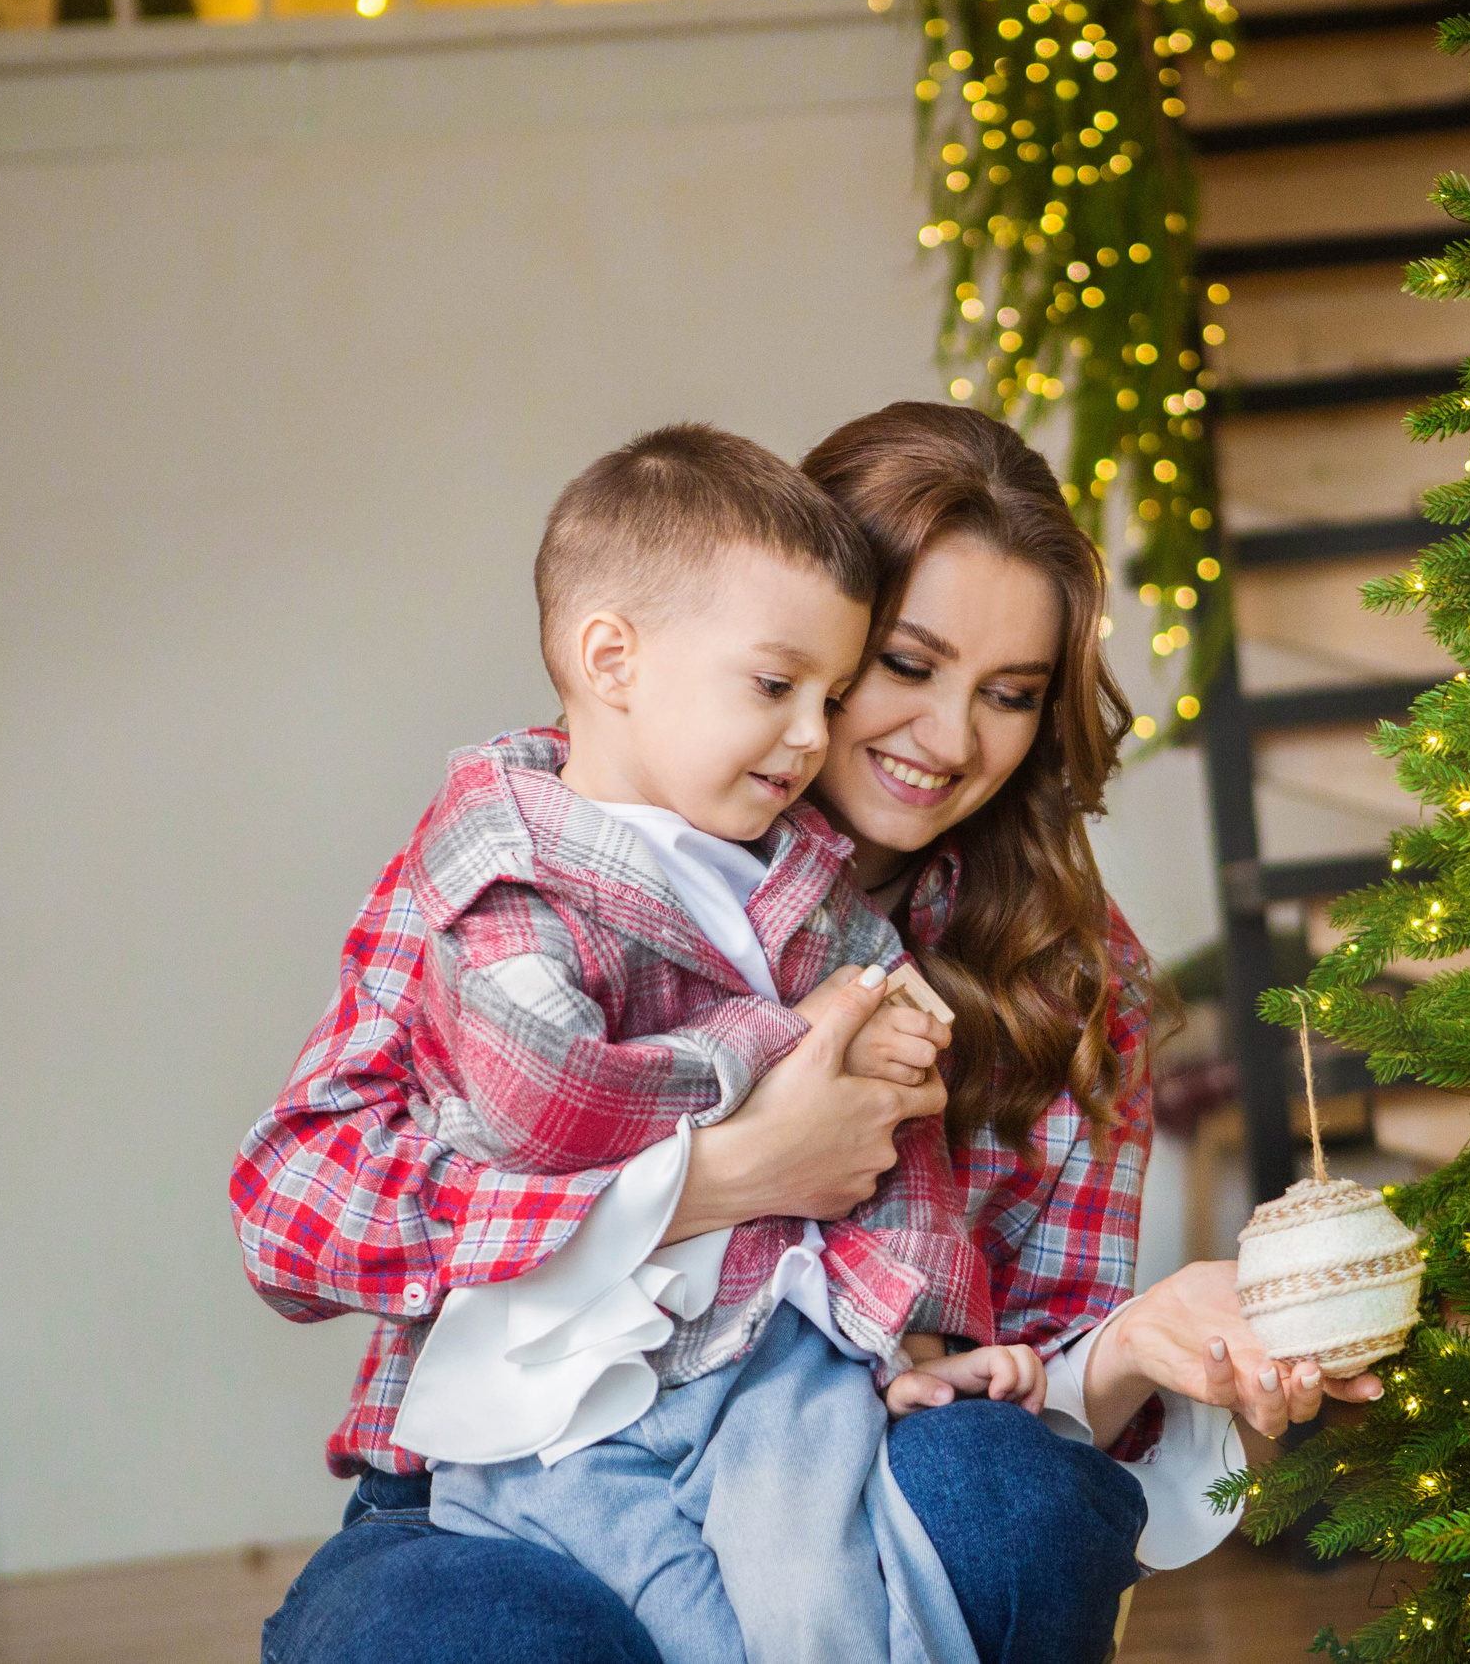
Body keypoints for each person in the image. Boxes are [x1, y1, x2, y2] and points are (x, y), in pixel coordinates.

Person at [236, 403, 1384, 1664]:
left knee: (1014, 1499)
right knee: (462, 1637)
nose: (951, 741)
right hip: (512, 1480)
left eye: (1008, 695)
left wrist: (1128, 1347)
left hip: (825, 1459)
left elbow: (1017, 1390)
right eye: (904, 667)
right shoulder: (540, 847)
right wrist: (727, 1174)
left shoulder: (1071, 973)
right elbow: (291, 1211)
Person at [270, 423, 1049, 1664]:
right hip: (551, 1413)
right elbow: (525, 1109)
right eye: (886, 671)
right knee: (648, 1626)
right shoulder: (502, 860)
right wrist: (761, 1095)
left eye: (1010, 694)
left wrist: (914, 1339)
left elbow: (911, 1145)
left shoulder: (812, 887)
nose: (813, 734)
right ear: (613, 659)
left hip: (779, 1359)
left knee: (836, 1600)